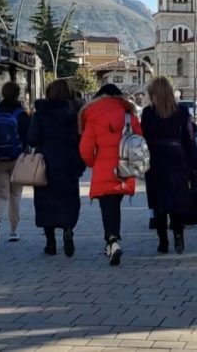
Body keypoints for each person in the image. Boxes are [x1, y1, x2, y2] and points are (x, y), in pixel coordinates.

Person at [79, 84, 142, 266]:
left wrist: (92, 162)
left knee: (108, 205)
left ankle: (112, 241)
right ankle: (111, 242)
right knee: (114, 205)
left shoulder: (93, 115)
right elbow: (139, 139)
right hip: (124, 168)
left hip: (103, 168)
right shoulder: (128, 114)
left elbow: (85, 148)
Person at [142, 77, 197, 254]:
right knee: (176, 200)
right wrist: (195, 164)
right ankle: (178, 235)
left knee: (158, 202)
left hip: (155, 161)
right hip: (177, 160)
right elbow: (190, 139)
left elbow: (143, 138)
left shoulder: (148, 113)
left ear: (153, 94)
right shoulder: (182, 112)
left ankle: (163, 241)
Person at [27, 80, 85, 257]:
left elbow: (32, 138)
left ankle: (50, 242)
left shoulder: (41, 113)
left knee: (46, 202)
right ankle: (68, 229)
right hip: (70, 162)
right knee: (69, 199)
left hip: (46, 163)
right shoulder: (76, 112)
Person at [0, 82, 31, 246]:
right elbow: (29, 138)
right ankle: (13, 230)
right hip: (17, 159)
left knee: (0, 195)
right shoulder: (22, 115)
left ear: (3, 94)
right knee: (15, 195)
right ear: (18, 94)